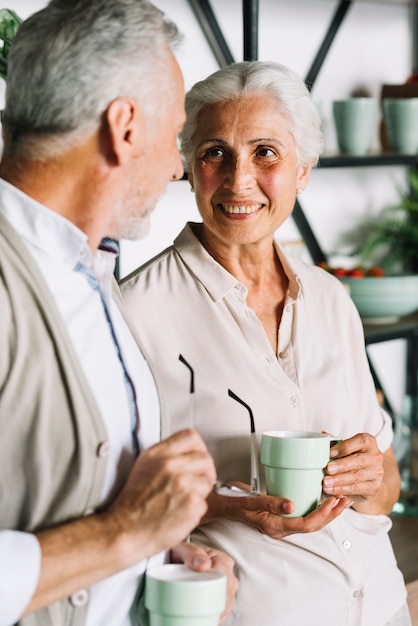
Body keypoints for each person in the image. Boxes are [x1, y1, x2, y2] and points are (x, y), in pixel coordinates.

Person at [121, 60, 411, 626]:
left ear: (304, 170)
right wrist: (229, 509)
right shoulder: (136, 311)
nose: (238, 180)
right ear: (187, 165)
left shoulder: (332, 298)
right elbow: (111, 500)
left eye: (265, 153)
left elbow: (387, 478)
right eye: (214, 153)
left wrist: (371, 477)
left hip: (382, 606)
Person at [0, 1, 239, 625]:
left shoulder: (91, 266)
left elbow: (91, 500)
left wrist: (161, 552)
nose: (177, 165)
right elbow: (116, 524)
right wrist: (124, 534)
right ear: (125, 127)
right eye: (174, 134)